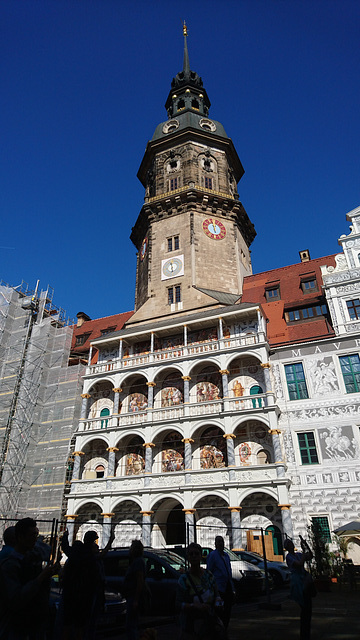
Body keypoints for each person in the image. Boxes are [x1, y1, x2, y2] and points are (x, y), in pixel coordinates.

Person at [0, 517, 59, 640]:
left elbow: (46, 551)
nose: (35, 540)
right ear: (20, 538)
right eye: (32, 535)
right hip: (17, 626)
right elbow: (16, 598)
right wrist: (41, 578)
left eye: (36, 535)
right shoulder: (11, 565)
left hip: (33, 624)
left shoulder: (31, 559)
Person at [176, 542, 223, 640]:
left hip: (209, 621)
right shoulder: (184, 579)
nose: (194, 556)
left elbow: (216, 594)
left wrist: (218, 601)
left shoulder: (209, 576)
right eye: (191, 554)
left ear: (201, 556)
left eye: (196, 553)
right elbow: (178, 604)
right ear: (187, 557)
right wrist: (194, 606)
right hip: (191, 624)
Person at [284, 537, 314, 640]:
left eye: (292, 543)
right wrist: (303, 555)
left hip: (304, 580)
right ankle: (304, 633)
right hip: (297, 581)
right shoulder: (289, 557)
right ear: (287, 547)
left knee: (307, 607)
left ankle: (306, 631)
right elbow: (300, 564)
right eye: (289, 544)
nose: (292, 545)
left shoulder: (298, 555)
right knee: (304, 606)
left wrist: (306, 546)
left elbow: (310, 556)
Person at [206, 536, 234, 628]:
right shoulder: (213, 555)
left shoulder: (226, 555)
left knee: (228, 609)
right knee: (220, 610)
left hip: (228, 586)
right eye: (218, 542)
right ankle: (219, 628)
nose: (220, 543)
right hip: (219, 588)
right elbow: (209, 570)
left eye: (222, 541)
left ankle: (225, 627)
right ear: (215, 544)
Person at [123, 539, 146, 640]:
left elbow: (139, 581)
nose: (130, 549)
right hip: (131, 596)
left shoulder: (138, 562)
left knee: (131, 625)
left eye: (131, 547)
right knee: (132, 624)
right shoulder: (137, 561)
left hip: (133, 597)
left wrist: (136, 599)